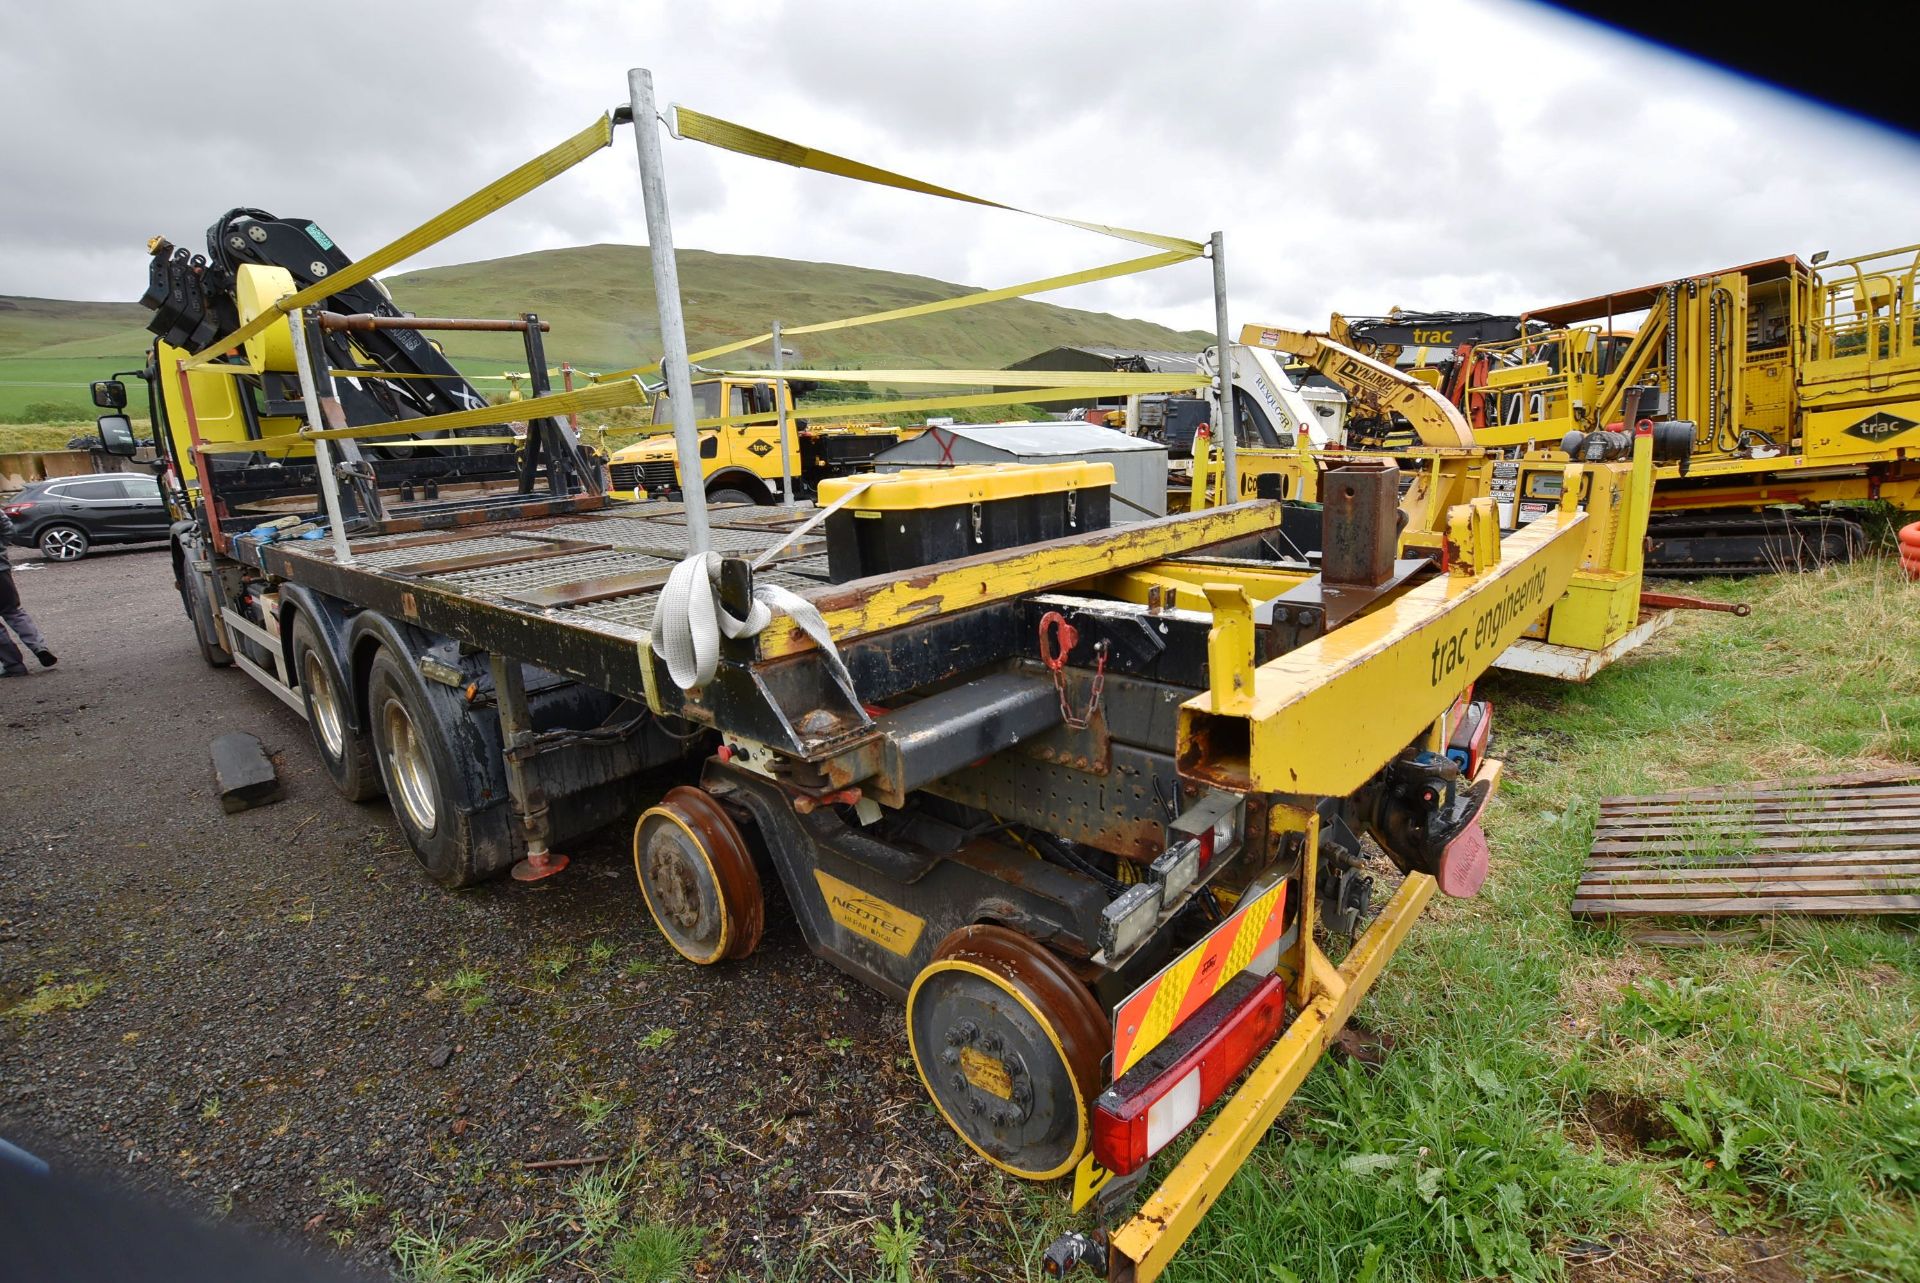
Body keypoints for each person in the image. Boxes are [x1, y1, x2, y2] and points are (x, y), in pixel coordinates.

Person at [0, 509, 57, 677]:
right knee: (13, 611)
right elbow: (7, 527)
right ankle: (39, 647)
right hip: (1, 570)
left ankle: (13, 665)